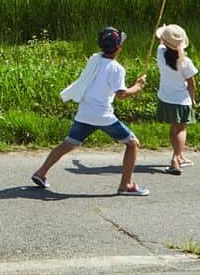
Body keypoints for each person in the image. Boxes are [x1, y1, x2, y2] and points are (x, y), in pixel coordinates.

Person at [31, 26, 149, 196]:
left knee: (68, 143)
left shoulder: (94, 58)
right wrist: (138, 86)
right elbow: (122, 95)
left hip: (85, 111)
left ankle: (41, 173)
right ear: (119, 48)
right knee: (133, 143)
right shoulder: (117, 68)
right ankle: (126, 185)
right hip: (102, 115)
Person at [155, 23, 197, 174]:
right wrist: (192, 99)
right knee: (181, 129)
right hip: (181, 100)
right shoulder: (185, 62)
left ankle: (179, 155)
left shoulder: (160, 53)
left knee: (174, 128)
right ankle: (176, 160)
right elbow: (191, 83)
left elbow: (161, 43)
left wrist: (163, 31)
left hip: (166, 98)